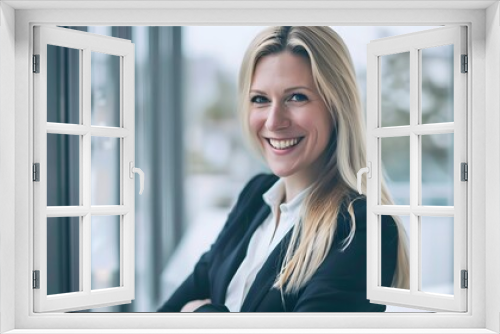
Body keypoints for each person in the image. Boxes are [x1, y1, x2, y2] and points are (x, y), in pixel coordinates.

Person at [157, 26, 409, 313]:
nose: (274, 121)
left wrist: (197, 314)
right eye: (260, 99)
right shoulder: (256, 195)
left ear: (336, 106)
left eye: (296, 97)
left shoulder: (361, 226)